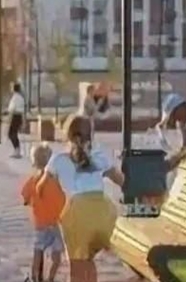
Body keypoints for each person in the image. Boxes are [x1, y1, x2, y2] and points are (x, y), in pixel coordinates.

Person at [39, 115, 125, 282]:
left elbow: (42, 187)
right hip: (103, 214)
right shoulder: (100, 156)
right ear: (91, 135)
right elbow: (121, 181)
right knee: (88, 260)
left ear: (67, 134)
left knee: (77, 265)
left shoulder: (58, 159)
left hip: (77, 215)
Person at [20, 143, 66, 282]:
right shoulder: (56, 182)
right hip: (55, 223)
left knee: (38, 251)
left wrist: (28, 201)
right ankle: (50, 278)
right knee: (57, 255)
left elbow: (24, 195)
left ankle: (35, 277)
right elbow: (63, 200)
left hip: (40, 224)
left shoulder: (33, 180)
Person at [6, 82, 28, 159]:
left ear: (13, 88)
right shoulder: (21, 97)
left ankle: (17, 150)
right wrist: (23, 121)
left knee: (11, 133)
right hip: (18, 116)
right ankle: (17, 150)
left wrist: (9, 119)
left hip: (15, 116)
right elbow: (23, 110)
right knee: (14, 133)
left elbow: (12, 109)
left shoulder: (15, 98)